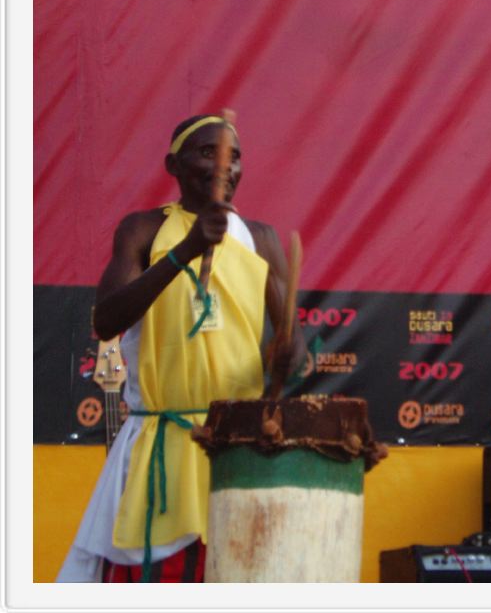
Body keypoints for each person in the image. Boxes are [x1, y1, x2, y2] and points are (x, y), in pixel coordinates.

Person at [57, 114, 306, 582]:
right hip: (162, 443)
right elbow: (106, 320)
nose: (223, 167)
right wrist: (184, 251)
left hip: (237, 449)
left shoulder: (262, 240)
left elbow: (294, 343)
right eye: (207, 152)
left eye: (233, 157)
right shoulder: (143, 231)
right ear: (173, 164)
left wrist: (291, 357)